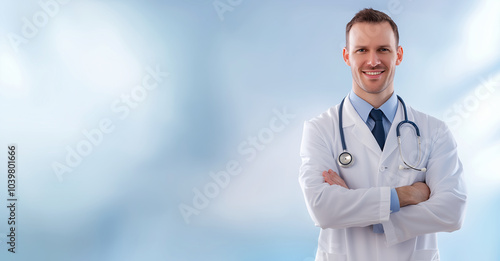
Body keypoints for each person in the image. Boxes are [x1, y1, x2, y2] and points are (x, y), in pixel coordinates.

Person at [298, 8, 467, 261]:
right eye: (361, 50)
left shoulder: (435, 131)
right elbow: (322, 208)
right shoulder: (320, 129)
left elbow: (452, 211)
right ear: (347, 56)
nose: (373, 61)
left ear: (398, 55)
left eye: (383, 50)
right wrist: (407, 195)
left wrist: (375, 219)